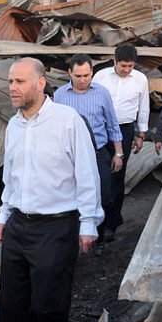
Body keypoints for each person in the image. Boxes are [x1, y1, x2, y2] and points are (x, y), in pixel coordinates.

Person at [0, 57, 103, 322]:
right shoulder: (13, 125)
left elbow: (87, 173)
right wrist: (4, 215)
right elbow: (10, 177)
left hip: (56, 226)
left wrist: (89, 222)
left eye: (20, 81)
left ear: (41, 83)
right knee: (12, 309)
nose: (13, 88)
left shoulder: (68, 121)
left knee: (48, 308)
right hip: (18, 225)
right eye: (11, 81)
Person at [54, 53, 123, 257]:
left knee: (103, 196)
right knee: (71, 197)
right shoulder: (60, 95)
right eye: (78, 76)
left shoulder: (102, 93)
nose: (83, 80)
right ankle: (74, 239)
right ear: (69, 73)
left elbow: (112, 124)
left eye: (86, 75)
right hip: (70, 157)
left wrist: (118, 153)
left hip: (98, 152)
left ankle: (98, 237)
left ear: (92, 72)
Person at [92, 44, 150, 242]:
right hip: (101, 130)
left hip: (125, 130)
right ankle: (96, 221)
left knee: (118, 176)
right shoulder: (100, 77)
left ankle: (113, 222)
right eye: (123, 65)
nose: (126, 70)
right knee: (100, 175)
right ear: (114, 61)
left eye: (130, 66)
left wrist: (141, 134)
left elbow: (144, 107)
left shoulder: (140, 79)